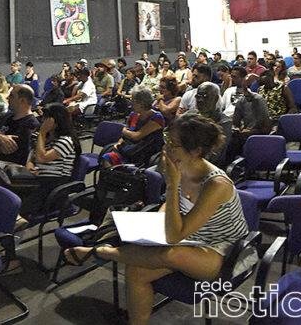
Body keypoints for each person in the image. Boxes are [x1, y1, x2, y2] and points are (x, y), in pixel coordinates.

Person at [65, 114, 252, 325]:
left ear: (195, 151)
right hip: (190, 238)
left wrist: (172, 184)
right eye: (167, 139)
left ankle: (100, 252)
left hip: (226, 252)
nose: (166, 147)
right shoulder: (182, 166)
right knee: (137, 270)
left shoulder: (216, 185)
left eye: (173, 144)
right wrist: (156, 223)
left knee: (172, 254)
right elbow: (171, 208)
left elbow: (174, 236)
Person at [4, 103, 80, 223]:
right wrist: (30, 164)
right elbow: (33, 153)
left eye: (46, 118)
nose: (43, 121)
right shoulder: (47, 137)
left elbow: (41, 158)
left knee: (16, 207)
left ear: (56, 121)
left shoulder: (66, 141)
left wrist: (42, 133)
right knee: (6, 188)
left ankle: (15, 222)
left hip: (54, 184)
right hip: (39, 178)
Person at [100, 86, 165, 167]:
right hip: (129, 149)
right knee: (106, 158)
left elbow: (136, 136)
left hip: (144, 154)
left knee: (114, 163)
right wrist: (119, 143)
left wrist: (124, 131)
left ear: (141, 103)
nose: (130, 103)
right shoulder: (133, 114)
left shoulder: (156, 118)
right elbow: (125, 136)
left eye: (133, 100)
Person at [226, 66, 271, 161]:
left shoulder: (259, 100)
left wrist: (251, 132)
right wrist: (236, 129)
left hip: (257, 136)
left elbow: (266, 129)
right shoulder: (242, 101)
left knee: (236, 142)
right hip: (244, 135)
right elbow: (235, 123)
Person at [184, 82, 232, 167]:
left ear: (216, 99)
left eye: (205, 97)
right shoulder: (189, 116)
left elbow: (214, 155)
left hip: (206, 166)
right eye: (198, 96)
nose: (200, 100)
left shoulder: (224, 123)